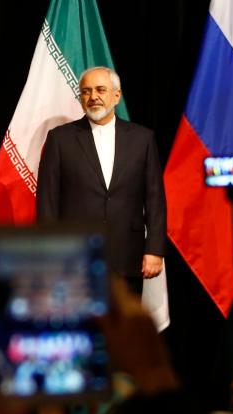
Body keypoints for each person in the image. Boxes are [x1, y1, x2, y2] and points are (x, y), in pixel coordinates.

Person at [36, 66, 166, 293]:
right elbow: (47, 201)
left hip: (128, 256)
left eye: (100, 90)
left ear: (117, 95)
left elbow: (155, 199)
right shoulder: (59, 139)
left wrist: (154, 249)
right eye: (86, 91)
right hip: (74, 259)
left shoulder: (143, 139)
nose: (93, 97)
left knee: (124, 327)